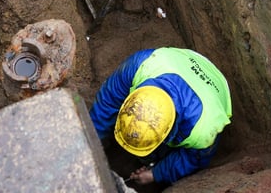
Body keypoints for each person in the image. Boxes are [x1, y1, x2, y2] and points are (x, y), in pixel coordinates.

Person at [89, 47, 232, 185]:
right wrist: (92, 142)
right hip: (178, 60)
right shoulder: (142, 65)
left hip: (215, 88)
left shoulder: (204, 130)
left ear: (168, 131)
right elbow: (107, 102)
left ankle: (152, 157)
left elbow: (191, 160)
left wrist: (156, 173)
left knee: (164, 154)